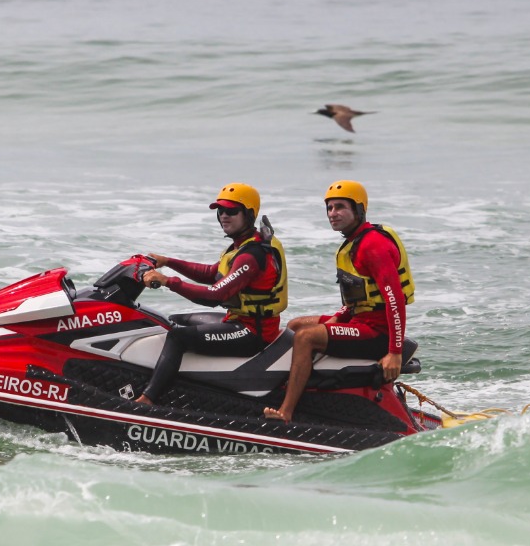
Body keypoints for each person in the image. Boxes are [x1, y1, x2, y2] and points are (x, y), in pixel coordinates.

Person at [263, 180, 415, 422]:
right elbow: (361, 293)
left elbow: (394, 299)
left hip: (377, 332)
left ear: (359, 209)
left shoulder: (373, 245)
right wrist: (341, 315)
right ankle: (302, 389)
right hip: (359, 321)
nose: (333, 214)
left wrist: (394, 352)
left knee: (306, 337)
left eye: (340, 207)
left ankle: (286, 411)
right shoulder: (355, 241)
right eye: (330, 208)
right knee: (296, 326)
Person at [134, 183, 287, 406]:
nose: (224, 216)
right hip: (239, 321)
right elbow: (209, 273)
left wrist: (168, 282)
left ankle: (148, 399)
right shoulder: (239, 247)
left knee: (178, 338)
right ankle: (176, 384)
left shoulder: (251, 255)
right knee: (173, 321)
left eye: (232, 211)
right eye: (220, 211)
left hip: (254, 332)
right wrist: (168, 262)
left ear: (249, 214)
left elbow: (214, 295)